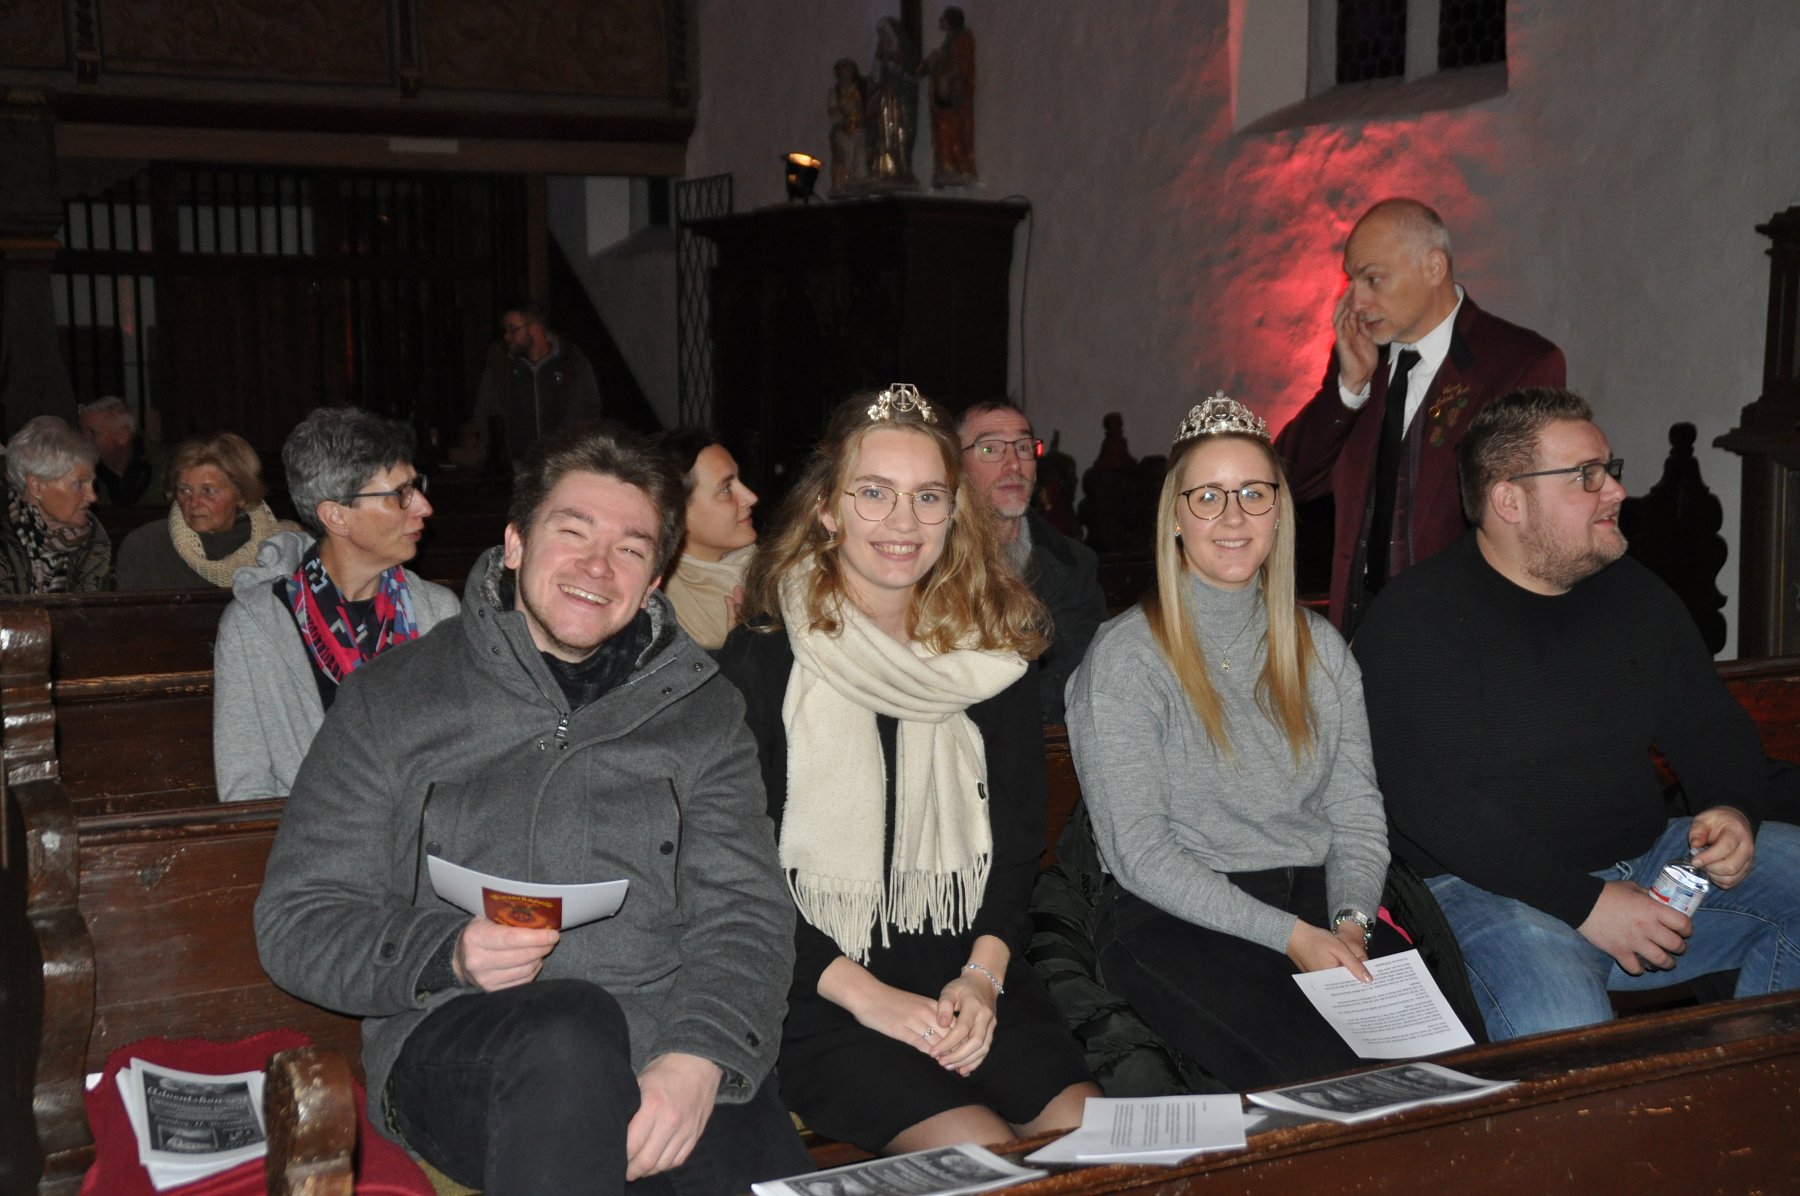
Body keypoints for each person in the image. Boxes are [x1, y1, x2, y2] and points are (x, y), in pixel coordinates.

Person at [254, 423, 810, 1194]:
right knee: (568, 1033)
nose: (597, 567)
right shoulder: (395, 697)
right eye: (572, 533)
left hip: (664, 1035)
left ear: (655, 579)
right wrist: (445, 951)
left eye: (630, 549)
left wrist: (700, 1058)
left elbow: (746, 916)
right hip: (461, 1040)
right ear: (515, 544)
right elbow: (298, 919)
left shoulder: (703, 714)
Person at [716, 384, 1097, 1154]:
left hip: (972, 977)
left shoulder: (993, 657)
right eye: (874, 493)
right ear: (828, 508)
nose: (903, 522)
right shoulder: (763, 659)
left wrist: (982, 979)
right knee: (981, 1155)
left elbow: (1017, 846)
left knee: (1094, 1145)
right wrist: (872, 999)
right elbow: (736, 870)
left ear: (955, 512)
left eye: (927, 496)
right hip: (820, 991)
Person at [1354, 387, 1800, 1041]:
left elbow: (1710, 724)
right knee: (1567, 1034)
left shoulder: (1635, 595)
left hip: (1645, 863)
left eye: (1609, 470)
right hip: (1485, 890)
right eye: (1586, 476)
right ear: (1510, 501)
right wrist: (1587, 904)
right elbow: (1433, 805)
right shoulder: (1418, 618)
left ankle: (1750, 1093)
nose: (1616, 491)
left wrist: (1731, 808)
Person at [1064, 393, 1400, 1090]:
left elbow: (1357, 815)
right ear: (1176, 516)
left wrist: (1351, 923)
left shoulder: (1320, 649)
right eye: (1208, 497)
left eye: (1253, 493)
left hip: (1323, 905)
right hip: (1178, 916)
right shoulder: (1126, 658)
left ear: (1279, 511)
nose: (1233, 516)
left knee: (1447, 1070)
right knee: (1336, 1084)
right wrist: (1291, 937)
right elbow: (1141, 854)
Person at [1275, 198, 1566, 635]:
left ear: (1433, 268)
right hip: (1360, 633)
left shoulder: (1518, 364)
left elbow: (1529, 525)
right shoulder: (1360, 359)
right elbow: (1287, 478)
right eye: (1351, 281)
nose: (1357, 300)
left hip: (1464, 635)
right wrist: (1348, 389)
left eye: (1373, 279)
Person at [212, 408, 458, 802]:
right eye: (401, 494)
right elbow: (244, 787)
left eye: (417, 486)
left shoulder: (438, 613)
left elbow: (462, 762)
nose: (423, 507)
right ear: (337, 517)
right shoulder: (254, 625)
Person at [956, 401, 1106, 724]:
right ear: (956, 466)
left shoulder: (1075, 564)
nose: (1014, 464)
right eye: (990, 449)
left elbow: (1091, 676)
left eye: (1023, 447)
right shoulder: (935, 565)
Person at [114, 432, 296, 590]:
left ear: (241, 495)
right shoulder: (146, 546)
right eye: (185, 490)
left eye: (208, 491)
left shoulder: (281, 545)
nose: (194, 502)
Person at [469, 302, 602, 471]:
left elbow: (590, 412)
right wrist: (487, 459)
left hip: (565, 467)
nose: (507, 337)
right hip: (517, 468)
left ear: (535, 327)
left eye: (513, 329)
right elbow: (484, 413)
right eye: (505, 330)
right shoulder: (500, 366)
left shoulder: (572, 362)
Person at [657, 429, 759, 650]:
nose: (751, 497)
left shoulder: (774, 563)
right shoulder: (670, 618)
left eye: (739, 480)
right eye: (726, 489)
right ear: (677, 514)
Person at [0, 414, 111, 593]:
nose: (92, 497)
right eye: (78, 484)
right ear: (36, 487)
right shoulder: (5, 538)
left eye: (92, 484)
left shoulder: (93, 540)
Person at [78, 396, 169, 507]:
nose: (84, 439)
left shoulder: (166, 467)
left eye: (93, 432)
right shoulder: (80, 472)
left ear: (123, 435)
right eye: (82, 431)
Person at [922, 6, 976, 186]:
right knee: (943, 130)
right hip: (943, 97)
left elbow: (960, 66)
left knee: (953, 130)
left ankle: (957, 165)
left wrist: (941, 62)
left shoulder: (962, 39)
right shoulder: (950, 40)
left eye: (943, 18)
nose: (940, 21)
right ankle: (946, 166)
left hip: (953, 97)